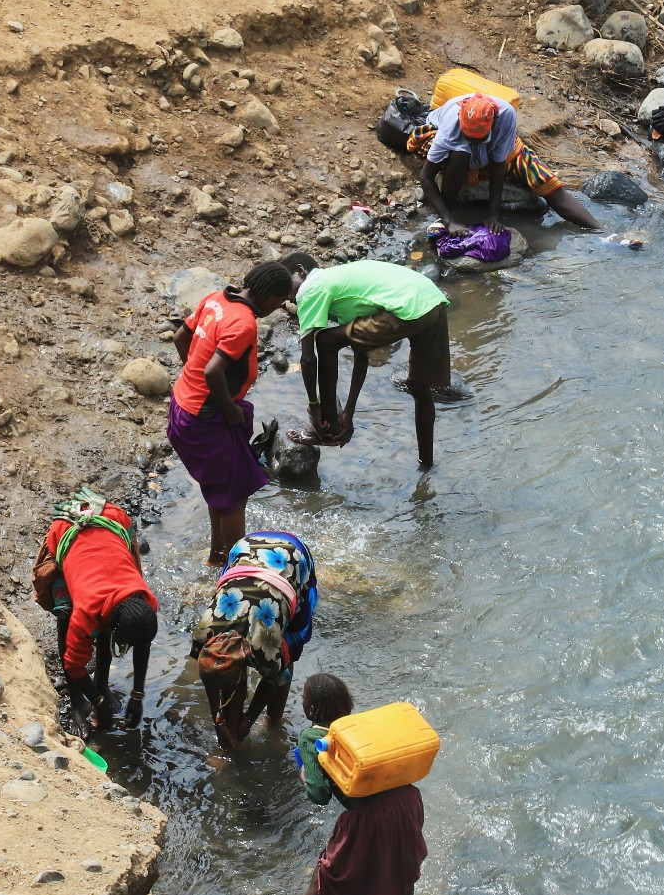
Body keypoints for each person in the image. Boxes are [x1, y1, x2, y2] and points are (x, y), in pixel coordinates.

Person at [266, 673, 427, 895]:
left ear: (312, 709)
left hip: (370, 815)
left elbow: (319, 796)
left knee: (325, 873)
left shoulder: (311, 737)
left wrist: (304, 774)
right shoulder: (358, 727)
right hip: (407, 800)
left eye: (303, 700)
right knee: (401, 858)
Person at [168, 262, 294, 564]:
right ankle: (237, 572)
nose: (280, 307)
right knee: (234, 498)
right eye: (280, 300)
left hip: (182, 406)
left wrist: (192, 374)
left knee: (221, 489)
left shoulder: (215, 299)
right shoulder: (244, 323)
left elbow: (179, 339)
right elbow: (213, 372)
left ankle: (217, 557)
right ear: (267, 295)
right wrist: (230, 410)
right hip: (206, 418)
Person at [282, 255, 451, 470]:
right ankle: (426, 465)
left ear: (300, 271)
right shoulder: (341, 286)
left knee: (325, 339)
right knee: (419, 385)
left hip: (409, 306)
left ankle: (330, 432)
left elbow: (307, 358)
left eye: (287, 286)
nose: (288, 297)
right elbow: (361, 352)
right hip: (432, 301)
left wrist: (315, 410)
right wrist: (349, 412)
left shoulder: (312, 289)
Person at [33, 490, 158, 734]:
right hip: (68, 529)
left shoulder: (145, 601)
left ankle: (101, 685)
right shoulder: (87, 611)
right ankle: (78, 702)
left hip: (113, 523)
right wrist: (98, 706)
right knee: (65, 616)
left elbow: (143, 643)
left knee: (106, 632)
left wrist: (138, 695)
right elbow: (73, 663)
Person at [190, 531, 318, 753]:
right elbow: (211, 681)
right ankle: (233, 739)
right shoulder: (203, 634)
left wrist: (249, 720)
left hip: (292, 557)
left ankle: (273, 724)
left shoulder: (264, 644)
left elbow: (277, 678)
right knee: (229, 679)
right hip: (244, 549)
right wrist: (217, 722)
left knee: (288, 653)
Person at [417, 91, 603, 234]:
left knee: (537, 174)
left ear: (493, 123)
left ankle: (602, 231)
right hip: (442, 141)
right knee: (461, 153)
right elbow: (426, 177)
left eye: (478, 138)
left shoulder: (505, 115)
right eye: (469, 137)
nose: (473, 142)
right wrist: (449, 221)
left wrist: (493, 215)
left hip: (492, 150)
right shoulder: (451, 126)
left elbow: (499, 164)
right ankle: (446, 215)